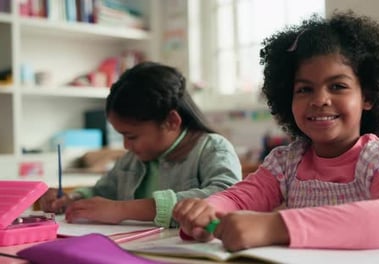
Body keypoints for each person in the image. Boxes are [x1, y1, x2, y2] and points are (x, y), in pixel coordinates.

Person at [173, 10, 379, 251]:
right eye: (304, 89)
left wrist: (274, 226)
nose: (320, 100)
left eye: (337, 86)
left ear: (367, 96)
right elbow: (238, 200)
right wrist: (207, 213)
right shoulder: (286, 163)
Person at [39, 62, 242, 227]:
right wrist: (72, 199)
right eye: (122, 137)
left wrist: (122, 210)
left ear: (171, 122)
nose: (127, 146)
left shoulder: (213, 149)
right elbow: (103, 191)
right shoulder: (133, 159)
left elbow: (228, 198)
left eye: (132, 136)